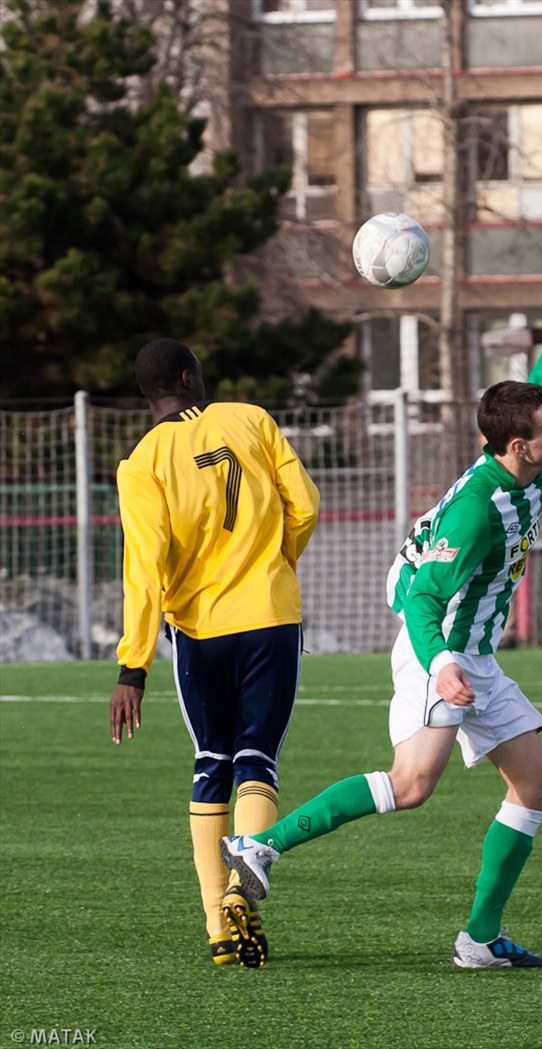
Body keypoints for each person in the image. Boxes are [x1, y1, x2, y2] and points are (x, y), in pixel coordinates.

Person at [220, 308, 542, 969]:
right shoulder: (478, 509)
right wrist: (442, 666)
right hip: (442, 648)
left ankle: (480, 940)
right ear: (518, 446)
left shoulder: (524, 461)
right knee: (411, 784)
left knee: (536, 785)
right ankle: (259, 846)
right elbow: (424, 598)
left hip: (473, 657)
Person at [109, 338, 319, 968]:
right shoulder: (251, 419)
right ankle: (240, 893)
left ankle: (217, 927)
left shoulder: (140, 463)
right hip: (270, 618)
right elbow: (303, 505)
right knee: (258, 761)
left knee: (212, 762)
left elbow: (143, 569)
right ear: (189, 376)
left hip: (199, 631)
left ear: (150, 393)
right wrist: (276, 566)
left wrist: (133, 665)